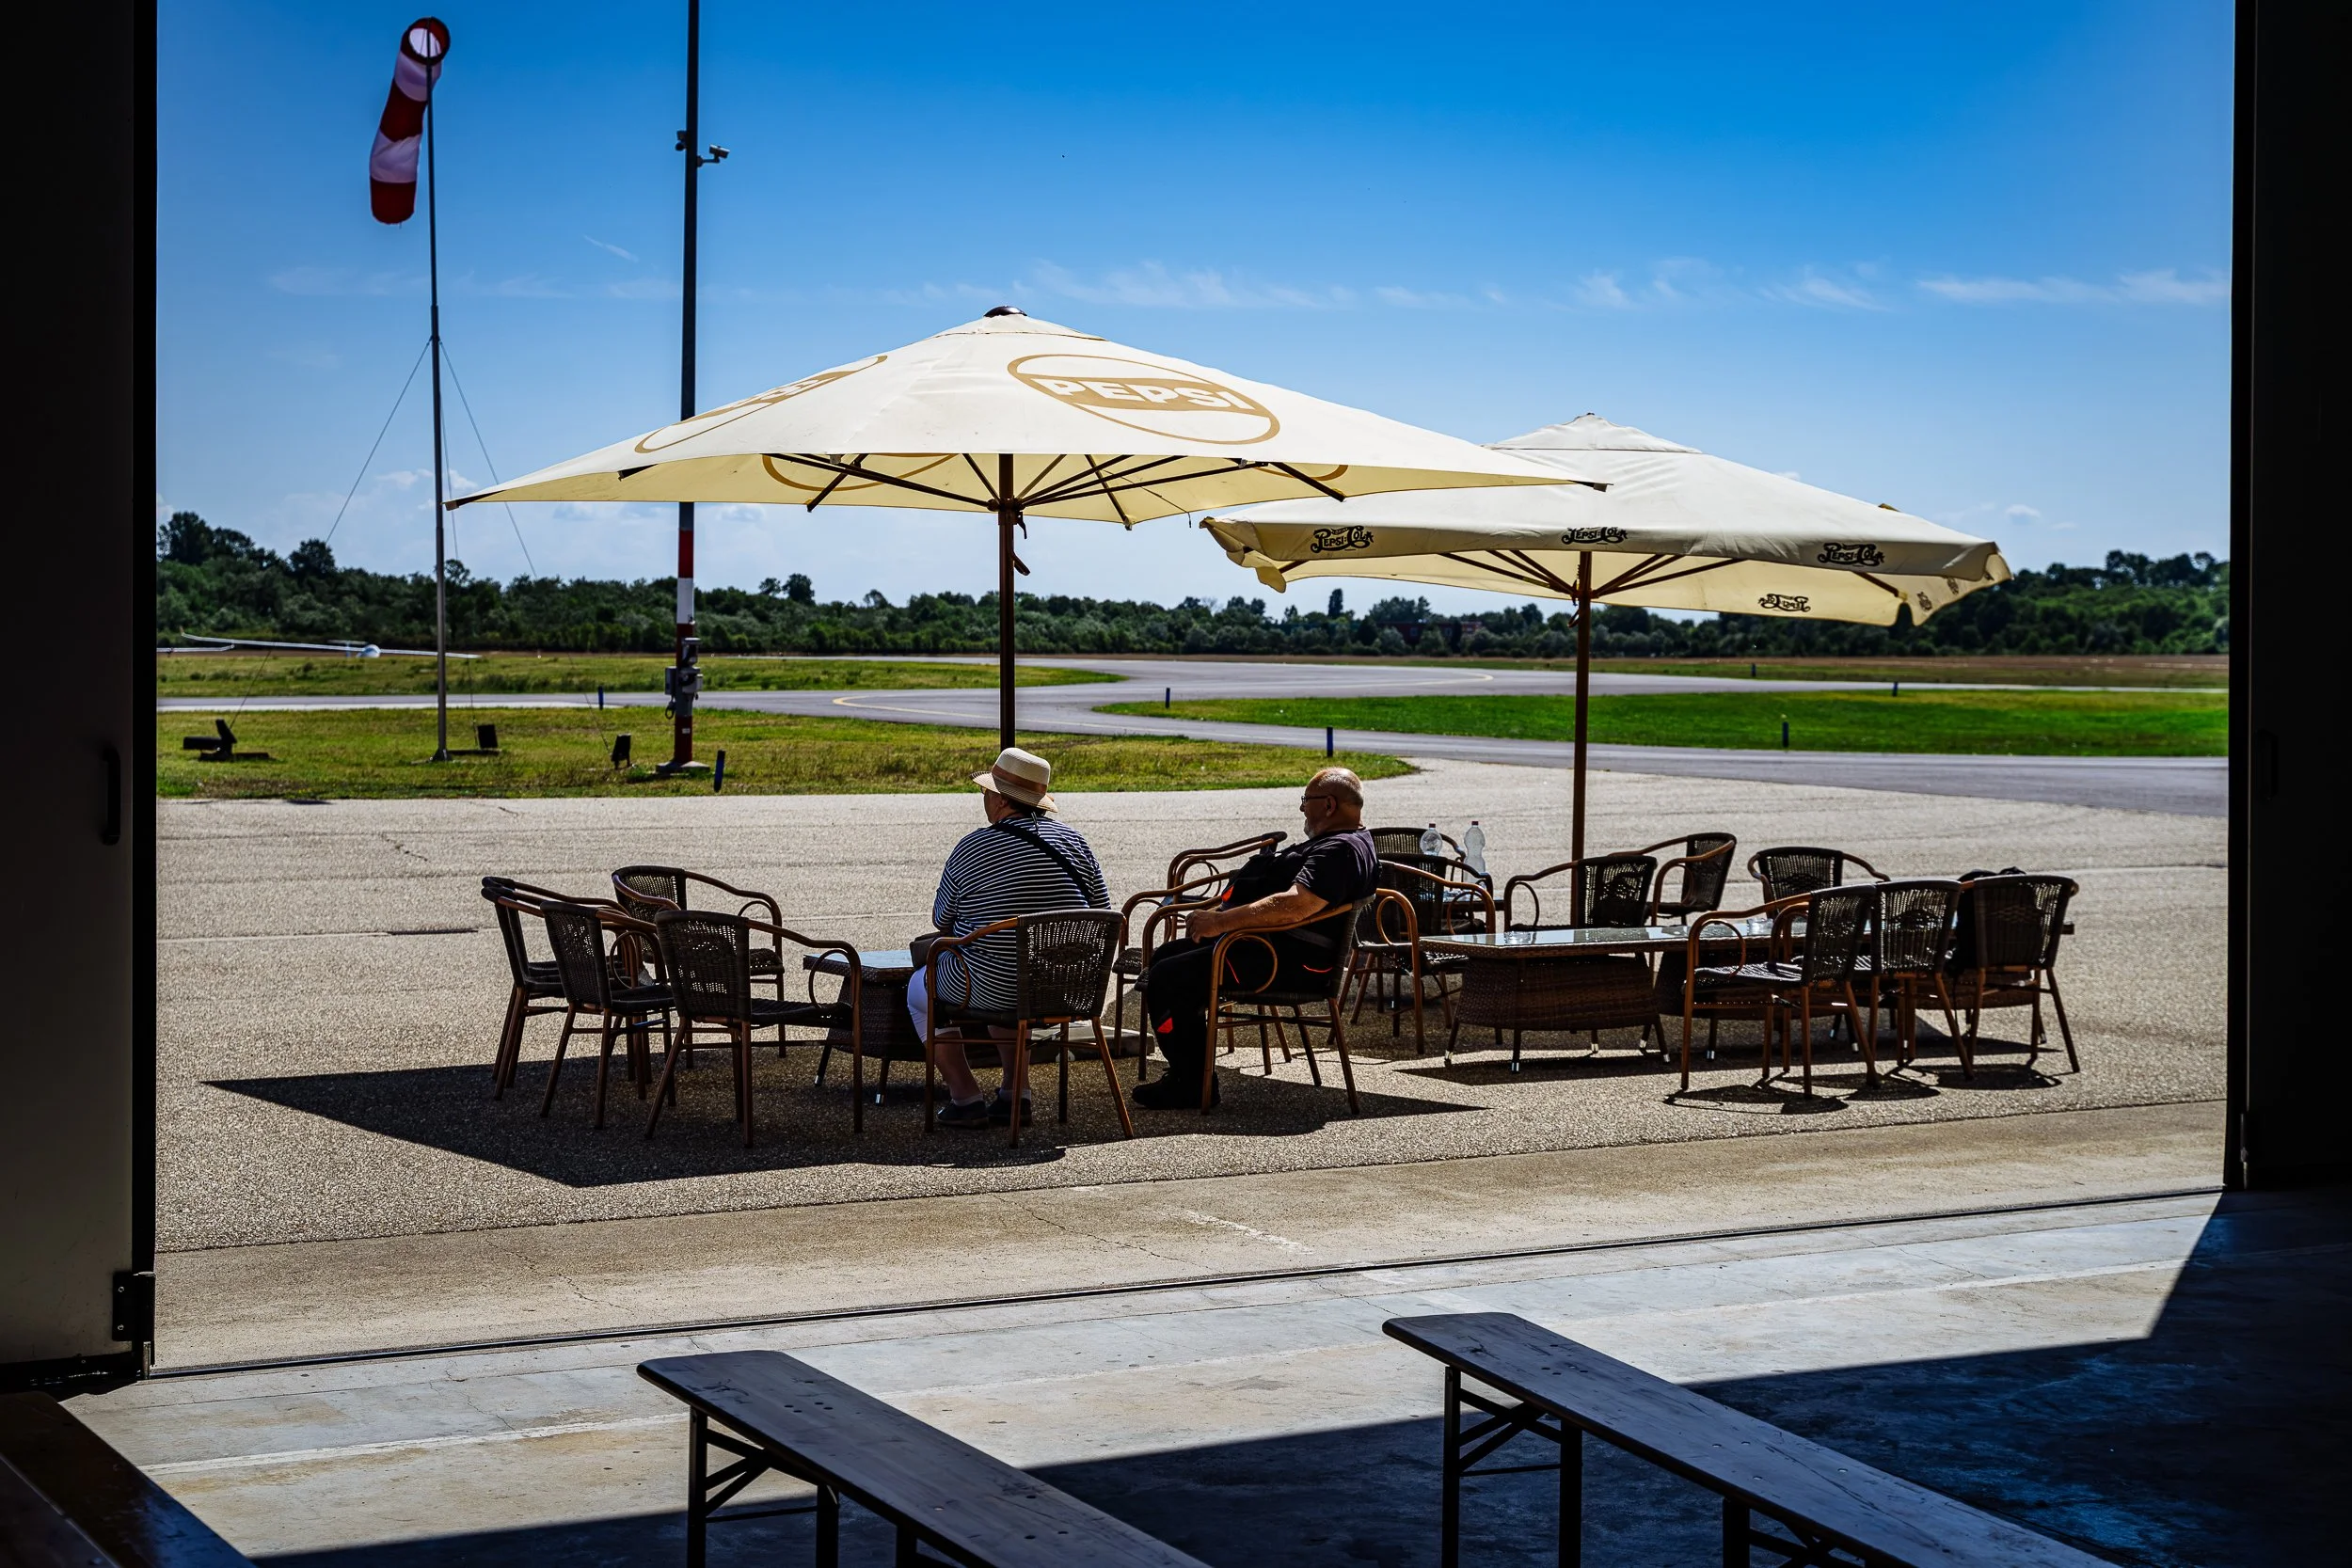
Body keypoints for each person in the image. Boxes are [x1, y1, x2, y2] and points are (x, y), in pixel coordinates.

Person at [1134, 766, 1378, 1110]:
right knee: (1167, 957)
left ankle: (1191, 1083)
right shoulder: (1348, 841)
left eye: (1305, 800)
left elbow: (1296, 905)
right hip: (1274, 949)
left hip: (1284, 961)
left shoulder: (1338, 850)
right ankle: (1189, 1070)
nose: (1301, 808)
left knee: (1167, 978)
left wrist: (1221, 924)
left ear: (1329, 805)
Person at [910, 746, 1109, 1130]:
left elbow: (942, 919)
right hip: (1066, 988)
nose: (983, 799)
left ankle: (965, 1096)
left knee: (920, 989)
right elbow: (1103, 911)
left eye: (986, 793)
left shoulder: (972, 846)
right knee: (1014, 974)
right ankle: (1015, 1093)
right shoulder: (1077, 843)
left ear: (1000, 799)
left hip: (992, 985)